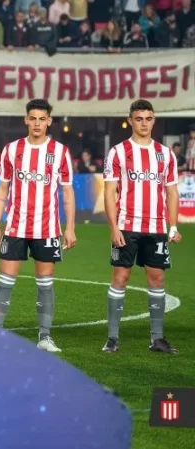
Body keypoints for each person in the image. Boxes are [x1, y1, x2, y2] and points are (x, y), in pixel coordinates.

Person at [0, 98, 77, 353]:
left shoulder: (60, 151)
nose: (37, 123)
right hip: (15, 227)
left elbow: (67, 192)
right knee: (5, 281)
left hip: (47, 229)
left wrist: (70, 227)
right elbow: (2, 189)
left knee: (45, 284)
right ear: (26, 120)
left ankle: (45, 337)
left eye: (42, 119)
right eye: (33, 118)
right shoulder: (11, 150)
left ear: (49, 121)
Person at [102, 99, 181, 354]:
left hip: (156, 227)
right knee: (120, 277)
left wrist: (173, 226)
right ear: (130, 121)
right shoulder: (118, 152)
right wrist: (114, 227)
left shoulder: (165, 154)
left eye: (148, 119)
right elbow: (109, 191)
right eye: (139, 119)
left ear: (153, 120)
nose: (144, 123)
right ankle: (112, 338)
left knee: (157, 278)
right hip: (126, 225)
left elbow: (172, 192)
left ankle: (157, 339)